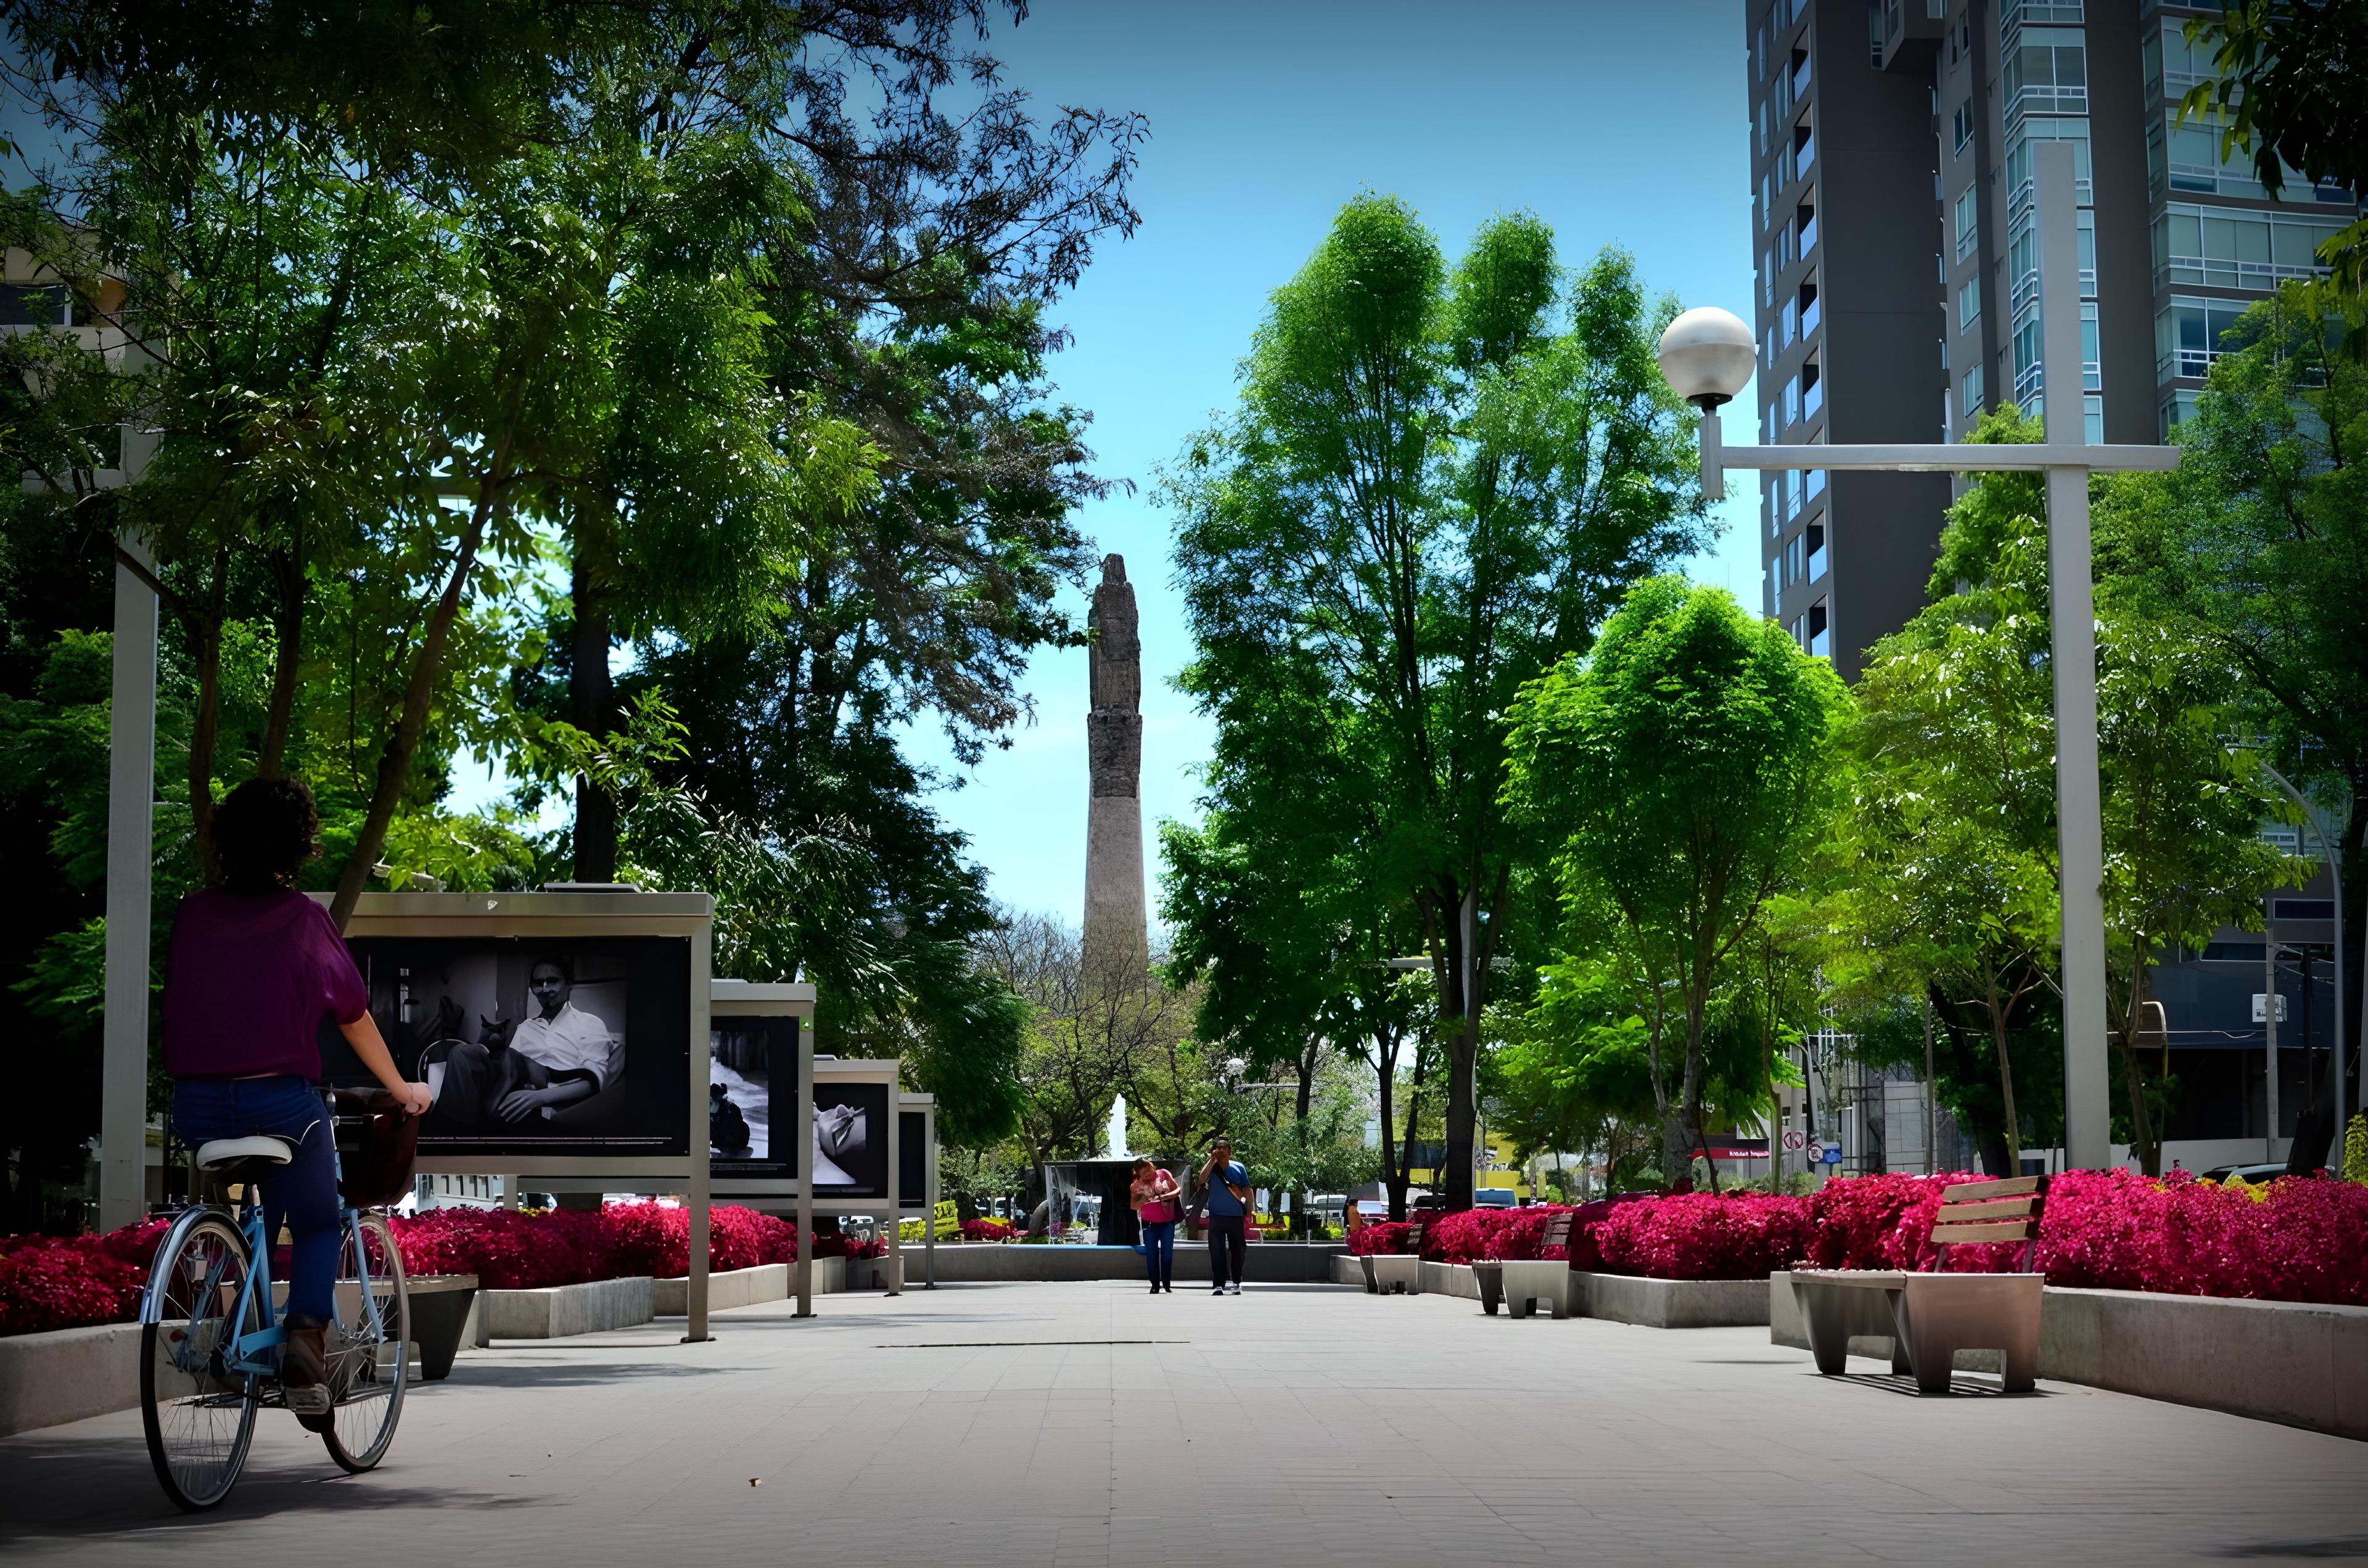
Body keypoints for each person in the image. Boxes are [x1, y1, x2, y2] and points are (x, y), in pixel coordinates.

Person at [161, 777, 429, 1417]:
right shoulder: (305, 919)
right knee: (316, 1220)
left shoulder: (192, 913)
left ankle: (238, 1321)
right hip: (281, 1107)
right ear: (299, 844)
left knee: (264, 1200)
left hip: (196, 1107)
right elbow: (353, 1016)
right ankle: (306, 1349)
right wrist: (402, 1089)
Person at [1199, 1138, 1251, 1295]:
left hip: (1235, 1216)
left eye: (1224, 1149)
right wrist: (1211, 1160)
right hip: (1216, 1216)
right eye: (1218, 1149)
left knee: (1238, 1250)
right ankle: (1218, 1284)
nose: (1221, 1152)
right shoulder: (1212, 1167)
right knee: (1217, 1251)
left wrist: (1250, 1211)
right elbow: (1201, 1179)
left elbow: (1247, 1189)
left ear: (1230, 1152)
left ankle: (1236, 1282)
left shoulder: (1239, 1167)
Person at [1130, 1157, 1182, 1294]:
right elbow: (1133, 1206)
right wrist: (1145, 1199)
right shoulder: (1136, 1186)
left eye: (1148, 1169)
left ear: (1154, 1168)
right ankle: (1155, 1285)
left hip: (1167, 1221)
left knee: (1167, 1254)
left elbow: (1178, 1190)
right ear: (1138, 1173)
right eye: (1143, 1171)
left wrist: (1164, 1196)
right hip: (1149, 1223)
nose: (1146, 1172)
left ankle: (1167, 1283)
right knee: (1151, 1255)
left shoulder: (1164, 1174)